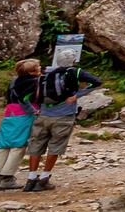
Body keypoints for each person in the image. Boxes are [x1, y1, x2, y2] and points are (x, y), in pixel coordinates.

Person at [24, 55, 101, 191]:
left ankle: (30, 178)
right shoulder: (75, 72)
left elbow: (26, 95)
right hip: (64, 115)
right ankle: (44, 178)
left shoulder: (44, 73)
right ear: (73, 61)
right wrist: (76, 96)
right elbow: (97, 82)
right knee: (56, 146)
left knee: (36, 144)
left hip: (43, 114)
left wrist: (33, 109)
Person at [0, 59, 39, 189]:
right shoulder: (33, 82)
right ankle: (7, 178)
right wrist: (34, 111)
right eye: (38, 67)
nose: (40, 68)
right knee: (18, 146)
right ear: (32, 71)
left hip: (9, 113)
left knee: (4, 145)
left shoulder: (14, 81)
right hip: (24, 115)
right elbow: (24, 99)